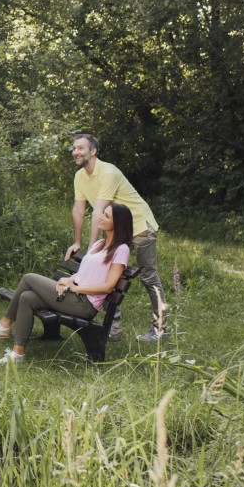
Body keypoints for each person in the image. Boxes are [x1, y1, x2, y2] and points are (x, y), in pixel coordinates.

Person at [0, 204, 133, 362]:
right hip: (74, 295)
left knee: (29, 278)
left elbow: (108, 286)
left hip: (85, 304)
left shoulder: (121, 249)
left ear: (118, 223)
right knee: (27, 298)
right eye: (103, 213)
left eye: (106, 216)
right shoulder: (99, 244)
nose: (100, 217)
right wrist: (68, 280)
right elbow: (84, 272)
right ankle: (17, 354)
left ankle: (3, 327)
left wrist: (76, 288)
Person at [67, 133, 166, 342]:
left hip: (140, 227)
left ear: (93, 151)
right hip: (117, 229)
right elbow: (78, 209)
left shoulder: (108, 173)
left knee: (149, 277)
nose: (76, 152)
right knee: (103, 272)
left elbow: (98, 211)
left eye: (81, 148)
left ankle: (160, 330)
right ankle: (112, 329)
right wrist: (78, 242)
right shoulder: (80, 177)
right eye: (74, 148)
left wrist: (91, 248)